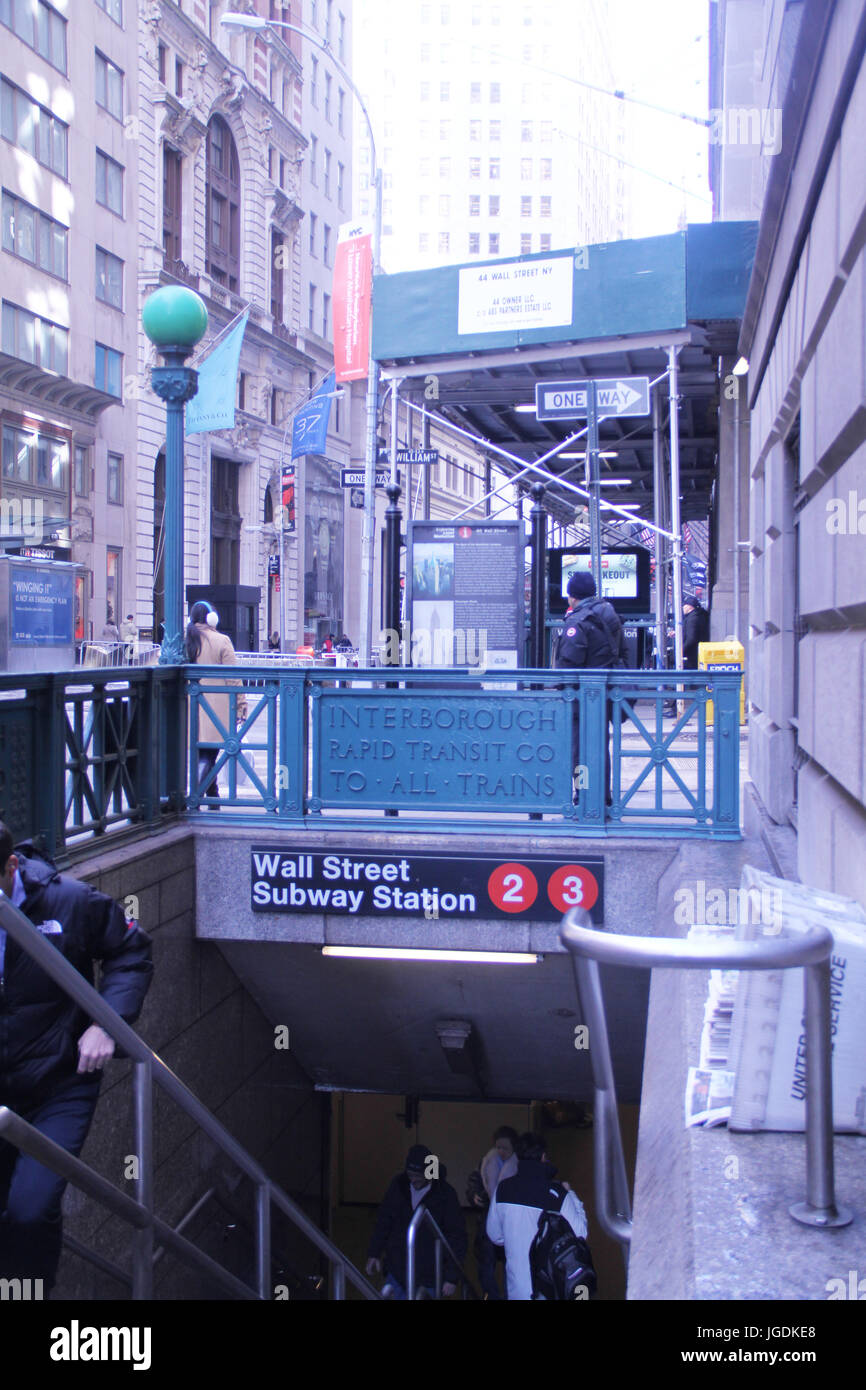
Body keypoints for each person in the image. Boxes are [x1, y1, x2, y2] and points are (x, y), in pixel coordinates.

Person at [0, 827, 153, 1291]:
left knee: (29, 1209)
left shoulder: (69, 900)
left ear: (10, 867)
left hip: (59, 1082)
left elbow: (131, 952)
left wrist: (105, 1024)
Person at [551, 571, 627, 805]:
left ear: (572, 597)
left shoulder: (578, 620)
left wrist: (562, 690)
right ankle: (603, 795)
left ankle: (582, 794)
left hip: (581, 697)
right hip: (604, 694)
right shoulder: (609, 614)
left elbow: (569, 662)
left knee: (579, 751)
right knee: (599, 747)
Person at [486, 1132, 588, 1302]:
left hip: (516, 1288)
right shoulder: (557, 1194)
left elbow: (495, 1235)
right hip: (550, 1285)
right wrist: (572, 1195)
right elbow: (580, 1234)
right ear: (543, 1157)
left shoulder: (503, 1189)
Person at [365, 1144, 467, 1299]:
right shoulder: (399, 1186)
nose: (415, 1180)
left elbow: (457, 1237)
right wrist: (374, 1252)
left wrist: (451, 1277)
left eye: (419, 1176)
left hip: (429, 1275)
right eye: (411, 1175)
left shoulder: (445, 1194)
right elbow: (384, 1220)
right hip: (398, 1269)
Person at [184, 602, 247, 805]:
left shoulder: (186, 640)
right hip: (216, 707)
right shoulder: (222, 640)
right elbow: (233, 677)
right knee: (209, 753)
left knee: (203, 751)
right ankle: (197, 795)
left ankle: (213, 796)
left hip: (192, 706)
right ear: (212, 619)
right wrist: (241, 705)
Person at [470, 1125, 518, 1300]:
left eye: (505, 1148)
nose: (501, 1151)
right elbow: (475, 1181)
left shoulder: (517, 1166)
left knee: (510, 1264)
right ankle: (491, 1295)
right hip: (487, 1219)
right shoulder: (487, 1162)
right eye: (498, 1147)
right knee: (486, 1264)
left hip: (510, 1223)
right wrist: (474, 1195)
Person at [682, 593, 710, 669]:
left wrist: (682, 650)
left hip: (692, 655)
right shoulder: (698, 615)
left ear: (689, 606)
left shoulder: (692, 619)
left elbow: (691, 638)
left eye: (684, 605)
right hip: (698, 653)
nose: (682, 608)